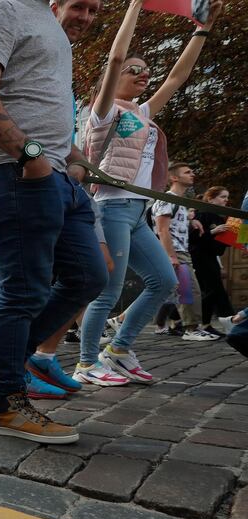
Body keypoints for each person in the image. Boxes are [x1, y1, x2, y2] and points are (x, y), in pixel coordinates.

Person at [0, 0, 108, 443]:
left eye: (95, 8)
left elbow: (39, 108)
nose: (87, 14)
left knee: (88, 276)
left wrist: (76, 160)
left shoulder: (51, 27)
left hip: (59, 180)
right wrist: (33, 159)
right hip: (13, 175)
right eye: (81, 6)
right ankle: (5, 405)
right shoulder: (3, 10)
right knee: (23, 292)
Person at [78, 0, 222, 385]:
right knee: (107, 293)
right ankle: (87, 362)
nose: (144, 75)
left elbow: (177, 77)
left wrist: (202, 29)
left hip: (136, 211)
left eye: (146, 71)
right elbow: (114, 57)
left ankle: (119, 350)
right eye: (135, 71)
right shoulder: (103, 113)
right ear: (115, 77)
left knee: (165, 282)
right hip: (110, 208)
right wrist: (136, 5)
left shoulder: (142, 114)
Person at [152, 163, 220, 341]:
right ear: (174, 178)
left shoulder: (181, 202)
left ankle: (191, 327)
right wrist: (171, 255)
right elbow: (163, 230)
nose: (192, 174)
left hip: (182, 251)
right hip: (175, 252)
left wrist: (192, 221)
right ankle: (191, 329)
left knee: (181, 291)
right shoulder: (168, 199)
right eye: (187, 172)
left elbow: (176, 223)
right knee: (189, 290)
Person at [190, 185, 234, 336]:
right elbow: (193, 239)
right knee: (214, 291)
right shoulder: (201, 214)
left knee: (213, 291)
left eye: (227, 197)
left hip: (210, 257)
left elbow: (217, 248)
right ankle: (227, 322)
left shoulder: (219, 217)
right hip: (199, 257)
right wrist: (214, 231)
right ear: (210, 198)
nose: (226, 200)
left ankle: (207, 324)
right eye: (223, 197)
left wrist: (229, 237)